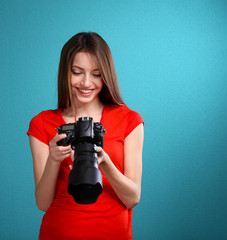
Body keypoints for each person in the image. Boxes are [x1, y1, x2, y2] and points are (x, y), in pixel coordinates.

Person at [27, 32, 144, 240]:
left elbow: (132, 198)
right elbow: (42, 203)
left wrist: (104, 162)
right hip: (60, 232)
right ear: (66, 72)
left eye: (96, 74)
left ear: (106, 76)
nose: (86, 82)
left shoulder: (129, 120)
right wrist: (54, 160)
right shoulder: (42, 124)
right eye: (77, 72)